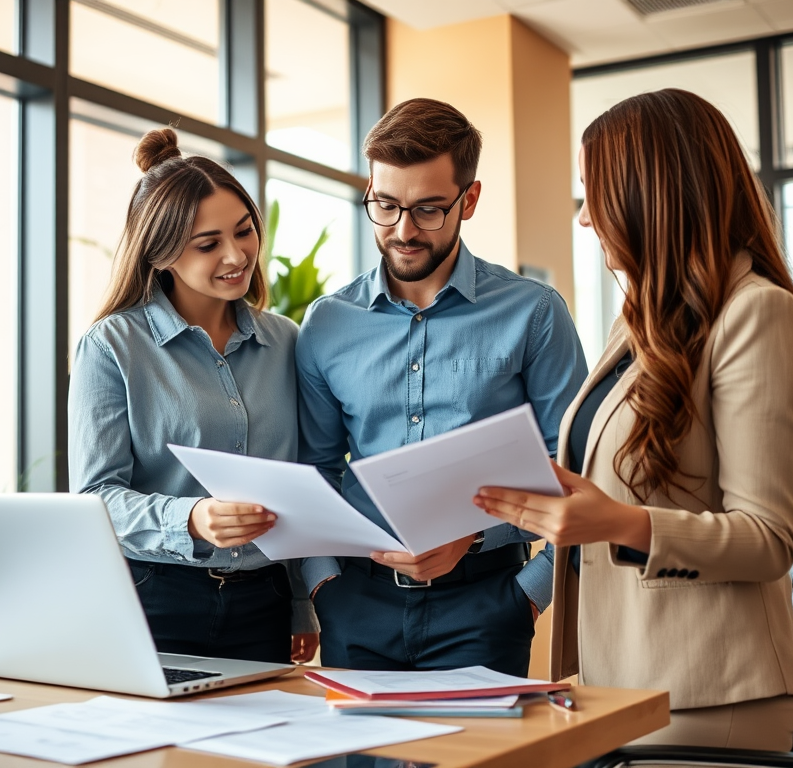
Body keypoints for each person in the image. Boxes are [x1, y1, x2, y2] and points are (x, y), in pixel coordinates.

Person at [474, 89, 793, 750]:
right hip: (617, 681)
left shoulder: (757, 315)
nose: (584, 219)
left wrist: (619, 524)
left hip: (709, 689)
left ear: (651, 193)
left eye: (594, 193)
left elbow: (768, 537)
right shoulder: (643, 322)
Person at [296, 98, 588, 676]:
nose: (403, 231)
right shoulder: (327, 322)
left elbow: (577, 468)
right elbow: (316, 467)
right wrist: (324, 584)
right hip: (356, 600)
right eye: (385, 205)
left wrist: (525, 592)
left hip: (487, 601)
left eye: (429, 209)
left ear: (469, 200)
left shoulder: (533, 314)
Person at [68, 128, 318, 665]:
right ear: (160, 255)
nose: (236, 255)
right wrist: (192, 518)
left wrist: (301, 603)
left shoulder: (286, 341)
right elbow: (96, 498)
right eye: (208, 244)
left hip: (264, 600)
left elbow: (300, 478)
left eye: (245, 231)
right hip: (153, 599)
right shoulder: (112, 346)